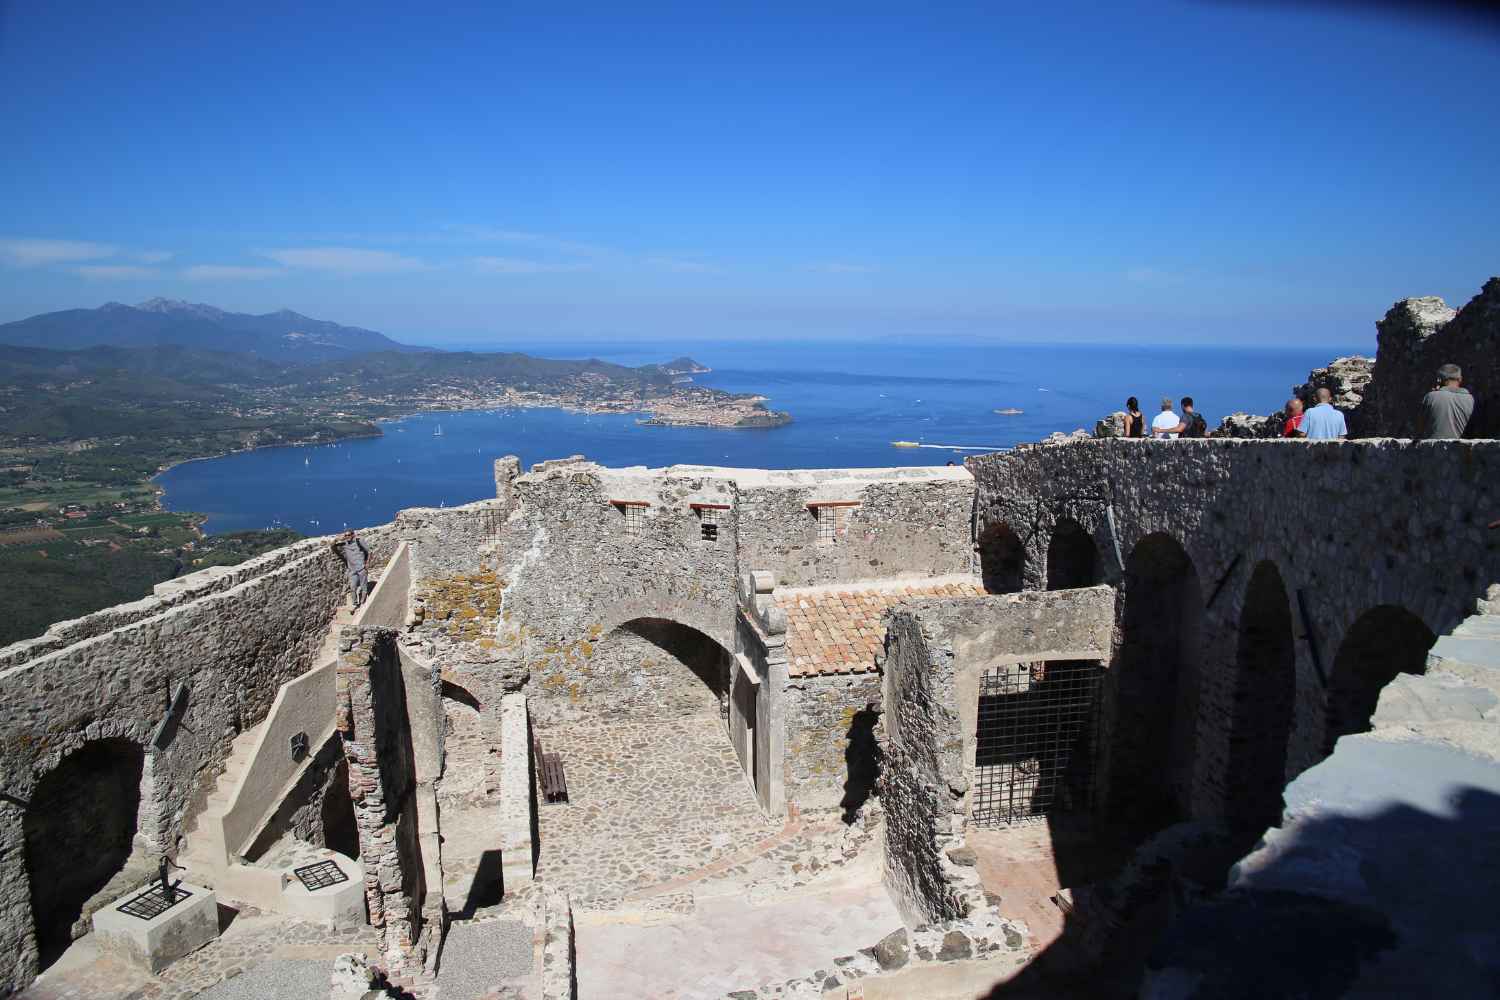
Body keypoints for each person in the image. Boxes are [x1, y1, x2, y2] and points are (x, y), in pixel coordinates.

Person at [1419, 363, 1473, 439]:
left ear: (1439, 380)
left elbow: (1420, 429)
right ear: (1460, 379)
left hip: (1435, 449)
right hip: (1463, 449)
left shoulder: (1430, 397)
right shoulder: (1471, 400)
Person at [331, 530, 371, 608]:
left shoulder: (359, 541)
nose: (347, 537)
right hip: (352, 570)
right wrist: (337, 539)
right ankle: (355, 603)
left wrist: (367, 563)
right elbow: (332, 546)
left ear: (353, 535)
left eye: (348, 535)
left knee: (363, 586)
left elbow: (369, 552)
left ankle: (363, 602)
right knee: (352, 587)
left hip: (361, 568)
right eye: (345, 535)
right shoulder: (344, 544)